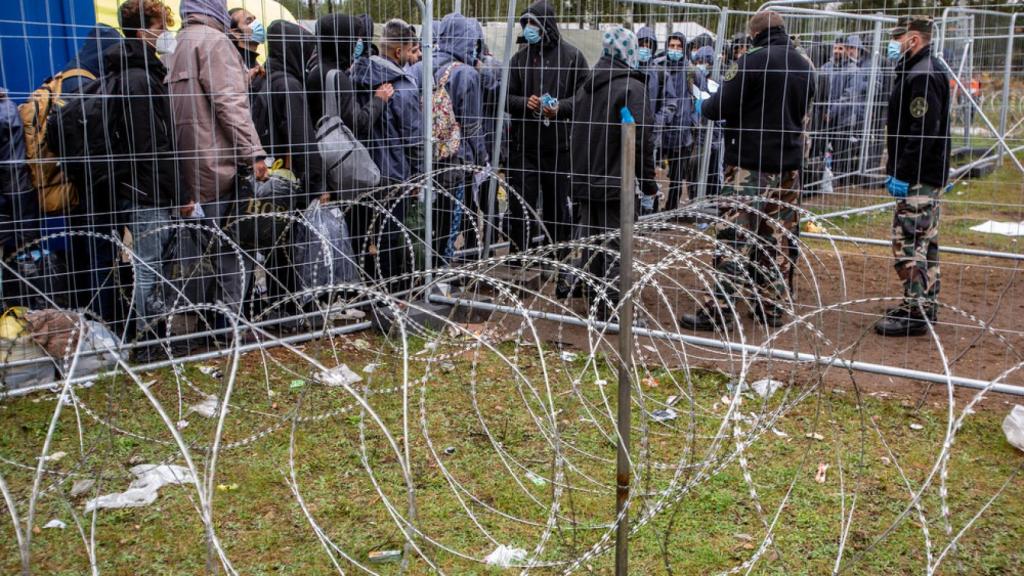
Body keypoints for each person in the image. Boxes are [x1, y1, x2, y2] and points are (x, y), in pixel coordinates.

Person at [679, 10, 815, 331]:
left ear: (754, 35)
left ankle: (721, 309)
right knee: (775, 238)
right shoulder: (804, 65)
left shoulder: (751, 61)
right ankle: (769, 306)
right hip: (788, 169)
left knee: (733, 237)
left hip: (749, 167)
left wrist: (705, 104)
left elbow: (719, 106)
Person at [165, 0, 268, 323]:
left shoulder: (178, 44)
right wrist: (254, 153)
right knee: (232, 251)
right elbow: (229, 104)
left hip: (187, 167)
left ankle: (194, 325)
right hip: (219, 165)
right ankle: (230, 327)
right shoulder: (215, 43)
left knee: (199, 253)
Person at [107, 0, 186, 359]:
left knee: (151, 263)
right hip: (146, 190)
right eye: (160, 27)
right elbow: (152, 144)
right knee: (150, 266)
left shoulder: (138, 72)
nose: (165, 34)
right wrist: (174, 192)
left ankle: (153, 335)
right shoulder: (139, 78)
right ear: (143, 31)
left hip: (145, 187)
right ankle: (149, 341)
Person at [569, 25, 658, 321]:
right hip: (615, 181)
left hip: (585, 179)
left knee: (593, 245)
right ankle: (617, 311)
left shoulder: (587, 85)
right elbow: (642, 138)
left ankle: (595, 303)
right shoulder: (632, 87)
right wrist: (647, 182)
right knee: (617, 248)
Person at [874, 15, 950, 337]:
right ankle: (922, 303)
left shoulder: (922, 74)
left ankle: (915, 311)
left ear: (914, 40)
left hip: (918, 176)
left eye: (897, 38)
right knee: (925, 242)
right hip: (924, 173)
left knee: (909, 242)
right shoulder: (918, 70)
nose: (893, 44)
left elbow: (923, 130)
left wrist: (903, 172)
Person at [505, 0, 588, 284]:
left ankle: (558, 260)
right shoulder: (519, 59)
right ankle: (519, 259)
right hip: (524, 147)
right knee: (520, 204)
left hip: (559, 147)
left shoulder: (572, 58)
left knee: (557, 206)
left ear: (547, 26)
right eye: (525, 24)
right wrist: (523, 103)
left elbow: (584, 98)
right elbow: (506, 98)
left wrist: (560, 107)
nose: (529, 29)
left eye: (534, 24)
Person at [350, 18, 423, 285]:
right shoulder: (403, 86)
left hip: (359, 170)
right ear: (398, 51)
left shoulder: (357, 74)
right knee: (389, 235)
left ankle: (365, 286)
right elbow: (413, 137)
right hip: (393, 172)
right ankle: (390, 290)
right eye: (409, 48)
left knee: (362, 232)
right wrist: (417, 174)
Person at [425, 12, 489, 265]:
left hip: (425, 156)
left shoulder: (422, 64)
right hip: (456, 157)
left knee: (427, 219)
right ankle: (441, 276)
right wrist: (481, 157)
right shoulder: (465, 74)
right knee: (449, 223)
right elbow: (472, 125)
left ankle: (425, 270)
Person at [659, 31, 698, 213]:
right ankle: (650, 209)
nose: (674, 50)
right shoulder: (659, 67)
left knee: (676, 176)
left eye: (678, 47)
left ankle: (670, 210)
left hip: (682, 132)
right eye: (671, 46)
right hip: (661, 129)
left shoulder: (690, 71)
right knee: (652, 172)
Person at [228, 6, 265, 83]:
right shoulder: (233, 66)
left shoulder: (255, 64)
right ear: (236, 33)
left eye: (255, 19)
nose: (258, 24)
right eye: (249, 22)